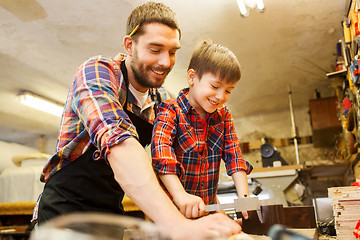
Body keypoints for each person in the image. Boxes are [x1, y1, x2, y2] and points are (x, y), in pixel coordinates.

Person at [34, 2, 242, 239]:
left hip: (111, 212)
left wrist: (206, 208)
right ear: (129, 45)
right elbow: (119, 142)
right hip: (65, 212)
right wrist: (176, 225)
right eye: (155, 49)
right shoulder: (98, 71)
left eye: (172, 52)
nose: (166, 62)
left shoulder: (162, 101)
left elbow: (177, 163)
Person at [151, 40, 253, 219]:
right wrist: (181, 196)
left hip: (208, 212)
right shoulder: (170, 111)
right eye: (214, 86)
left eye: (228, 90)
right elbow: (162, 156)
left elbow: (234, 157)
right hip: (171, 214)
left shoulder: (224, 116)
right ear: (192, 77)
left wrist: (245, 199)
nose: (221, 96)